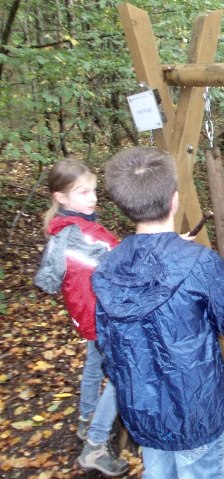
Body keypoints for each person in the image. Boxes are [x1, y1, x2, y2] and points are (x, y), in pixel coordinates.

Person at [92, 146, 224, 479]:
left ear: (126, 208)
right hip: (194, 410)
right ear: (175, 200)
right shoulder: (200, 263)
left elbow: (107, 346)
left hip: (142, 408)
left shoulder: (108, 266)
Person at [34, 159, 129, 476]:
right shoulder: (80, 235)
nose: (93, 198)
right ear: (61, 198)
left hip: (88, 316)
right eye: (83, 192)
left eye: (94, 190)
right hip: (103, 316)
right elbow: (123, 262)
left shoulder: (68, 229)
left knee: (93, 364)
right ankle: (95, 446)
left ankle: (87, 419)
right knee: (123, 375)